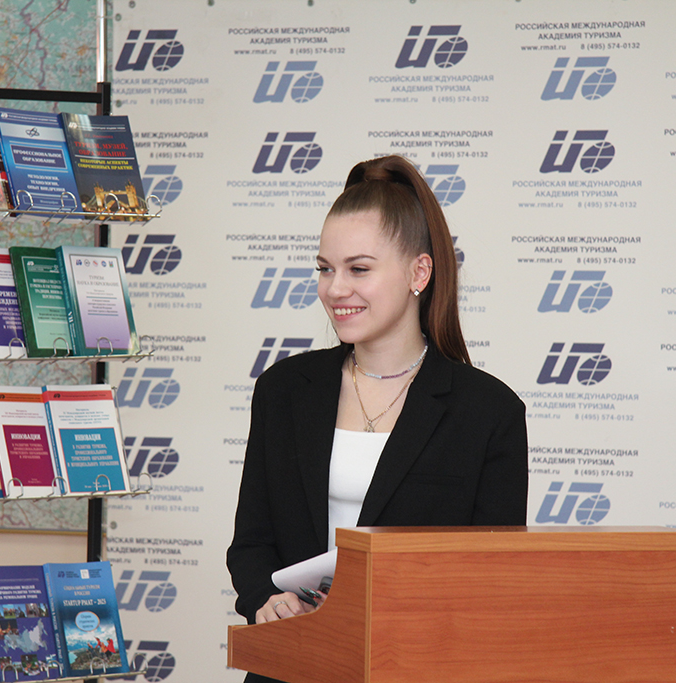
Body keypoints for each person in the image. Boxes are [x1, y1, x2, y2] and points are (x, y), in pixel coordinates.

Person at [226, 155, 528, 682]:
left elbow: (492, 581)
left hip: (418, 666)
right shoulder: (283, 391)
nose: (335, 288)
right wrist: (265, 600)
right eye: (325, 269)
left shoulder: (488, 411)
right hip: (295, 661)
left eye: (359, 269)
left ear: (419, 272)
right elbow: (251, 542)